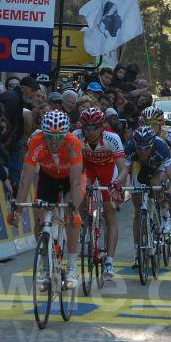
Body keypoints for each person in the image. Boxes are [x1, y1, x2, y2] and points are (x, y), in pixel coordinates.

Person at [10, 110, 83, 289]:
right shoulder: (37, 142)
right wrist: (17, 209)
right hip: (48, 177)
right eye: (49, 137)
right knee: (39, 217)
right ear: (43, 134)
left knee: (71, 216)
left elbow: (75, 182)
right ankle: (45, 265)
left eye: (58, 137)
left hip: (70, 179)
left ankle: (72, 267)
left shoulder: (73, 142)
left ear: (65, 134)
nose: (53, 142)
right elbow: (25, 179)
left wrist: (74, 209)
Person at [72, 108, 126, 280]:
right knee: (79, 197)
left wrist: (117, 184)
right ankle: (84, 226)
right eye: (86, 128)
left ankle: (109, 261)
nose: (90, 132)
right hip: (87, 168)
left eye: (94, 127)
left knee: (109, 211)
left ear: (102, 127)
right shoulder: (76, 136)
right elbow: (71, 166)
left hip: (107, 169)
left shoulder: (112, 138)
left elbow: (123, 168)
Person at [115, 126, 171, 269]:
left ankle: (165, 214)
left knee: (156, 183)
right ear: (135, 145)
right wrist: (117, 184)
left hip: (159, 168)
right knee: (138, 210)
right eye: (140, 148)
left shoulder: (161, 146)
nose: (143, 151)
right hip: (140, 168)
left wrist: (169, 193)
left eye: (146, 148)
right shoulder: (130, 147)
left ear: (152, 144)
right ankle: (137, 253)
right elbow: (124, 171)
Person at [141, 106, 171, 256]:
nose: (149, 127)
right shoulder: (140, 134)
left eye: (153, 124)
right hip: (148, 165)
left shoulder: (170, 134)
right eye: (146, 124)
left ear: (160, 124)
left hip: (166, 165)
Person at [0, 76, 41, 191]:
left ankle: (12, 189)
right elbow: (2, 122)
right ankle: (11, 190)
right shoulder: (12, 99)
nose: (34, 94)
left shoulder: (17, 99)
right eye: (32, 90)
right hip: (1, 142)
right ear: (22, 88)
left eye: (35, 91)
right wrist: (1, 142)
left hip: (9, 142)